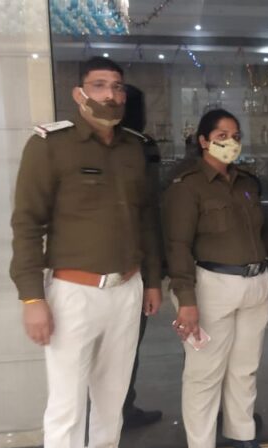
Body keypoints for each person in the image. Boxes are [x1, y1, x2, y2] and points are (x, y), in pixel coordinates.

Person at [10, 56, 163, 448]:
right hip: (73, 293)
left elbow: (146, 220)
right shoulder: (50, 145)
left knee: (112, 400)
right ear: (79, 93)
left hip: (127, 290)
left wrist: (152, 281)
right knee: (68, 406)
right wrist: (31, 298)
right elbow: (27, 224)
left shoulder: (134, 148)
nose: (110, 95)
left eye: (117, 87)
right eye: (99, 85)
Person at [162, 109, 268, 448]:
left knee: (244, 369)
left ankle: (242, 437)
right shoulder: (186, 186)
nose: (230, 142)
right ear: (203, 141)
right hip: (211, 285)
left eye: (235, 136)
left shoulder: (247, 182)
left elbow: (263, 235)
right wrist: (186, 300)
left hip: (255, 284)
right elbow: (177, 246)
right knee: (205, 372)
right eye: (221, 136)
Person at [119, 84, 164, 429]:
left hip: (133, 265)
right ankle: (122, 407)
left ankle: (122, 407)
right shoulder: (141, 147)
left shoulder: (137, 145)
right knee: (126, 346)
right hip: (130, 262)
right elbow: (151, 208)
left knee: (125, 346)